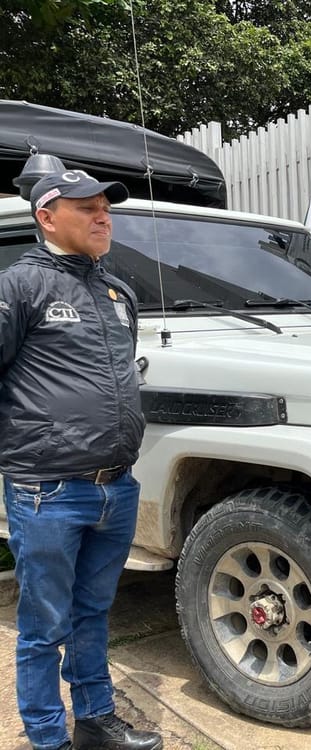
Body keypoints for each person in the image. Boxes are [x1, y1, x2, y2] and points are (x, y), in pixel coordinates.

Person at [0, 168, 161, 750]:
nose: (102, 216)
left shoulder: (120, 295)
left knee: (94, 612)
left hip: (115, 488)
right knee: (43, 628)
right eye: (86, 207)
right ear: (46, 217)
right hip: (46, 491)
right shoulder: (19, 287)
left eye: (105, 207)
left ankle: (96, 721)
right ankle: (48, 738)